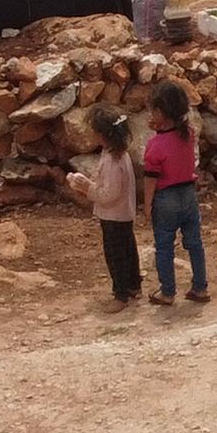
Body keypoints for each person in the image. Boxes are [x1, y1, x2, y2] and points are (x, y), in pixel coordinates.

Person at [140, 80, 209, 305]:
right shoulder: (187, 134)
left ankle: (167, 292)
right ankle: (200, 287)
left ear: (159, 112)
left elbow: (151, 178)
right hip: (188, 194)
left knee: (164, 246)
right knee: (195, 243)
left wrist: (147, 204)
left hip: (166, 197)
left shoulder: (155, 145)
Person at [66, 109, 139, 307]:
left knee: (116, 255)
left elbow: (109, 194)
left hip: (114, 215)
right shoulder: (116, 154)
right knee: (128, 251)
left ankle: (121, 294)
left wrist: (87, 189)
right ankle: (133, 285)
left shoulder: (114, 161)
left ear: (103, 135)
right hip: (123, 213)